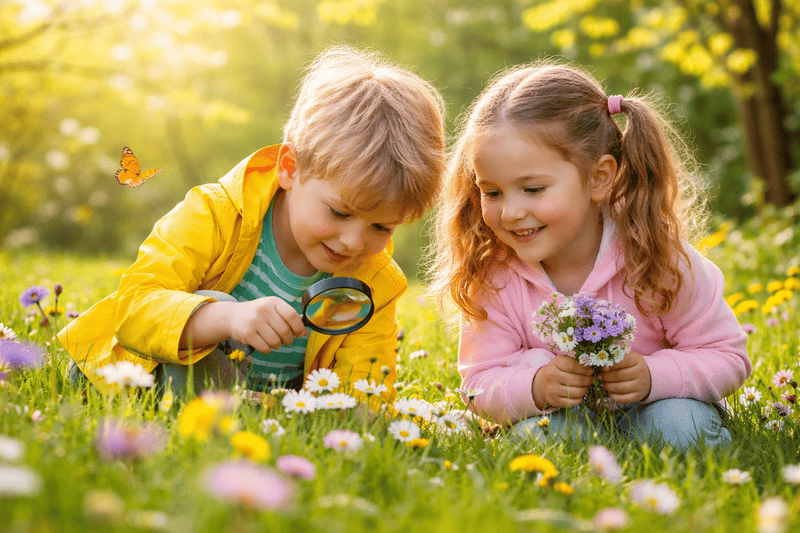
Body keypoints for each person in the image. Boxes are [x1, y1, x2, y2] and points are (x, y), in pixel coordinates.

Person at [59, 46, 445, 402]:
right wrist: (225, 319)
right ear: (290, 168)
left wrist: (362, 416)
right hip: (132, 385)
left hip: (248, 413)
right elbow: (135, 308)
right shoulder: (215, 214)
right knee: (219, 302)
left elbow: (363, 391)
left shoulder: (374, 284)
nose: (352, 242)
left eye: (382, 228)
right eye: (340, 213)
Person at [429, 61, 750, 450]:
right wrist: (536, 387)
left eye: (532, 189)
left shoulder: (657, 257)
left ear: (599, 177)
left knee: (681, 430)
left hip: (658, 405)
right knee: (544, 441)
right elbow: (480, 382)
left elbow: (726, 356)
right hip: (557, 416)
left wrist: (652, 376)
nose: (510, 212)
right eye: (492, 192)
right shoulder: (495, 277)